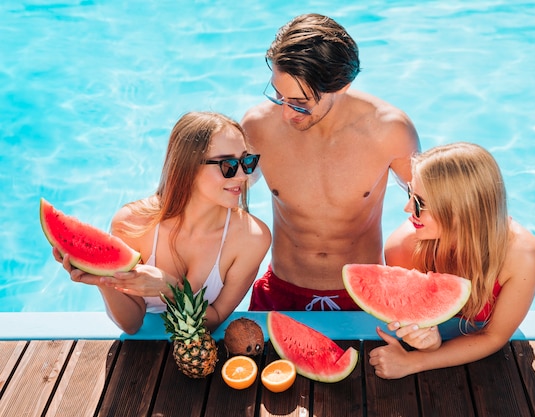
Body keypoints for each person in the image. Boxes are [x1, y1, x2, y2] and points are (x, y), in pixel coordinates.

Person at [242, 13, 420, 311]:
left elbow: (434, 209)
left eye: (300, 102)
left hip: (364, 294)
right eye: (278, 96)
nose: (286, 114)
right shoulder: (258, 126)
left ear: (341, 86)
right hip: (280, 291)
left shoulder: (390, 130)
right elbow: (222, 197)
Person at [54, 111, 271, 334]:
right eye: (228, 165)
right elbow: (131, 324)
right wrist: (104, 279)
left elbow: (214, 320)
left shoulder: (252, 238)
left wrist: (170, 288)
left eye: (246, 161)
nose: (244, 176)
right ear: (188, 167)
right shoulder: (133, 224)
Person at [369, 142, 535, 379]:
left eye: (421, 203)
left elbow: (494, 336)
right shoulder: (403, 247)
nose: (407, 208)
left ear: (461, 211)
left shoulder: (524, 255)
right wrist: (426, 341)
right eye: (410, 193)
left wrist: (414, 362)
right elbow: (418, 328)